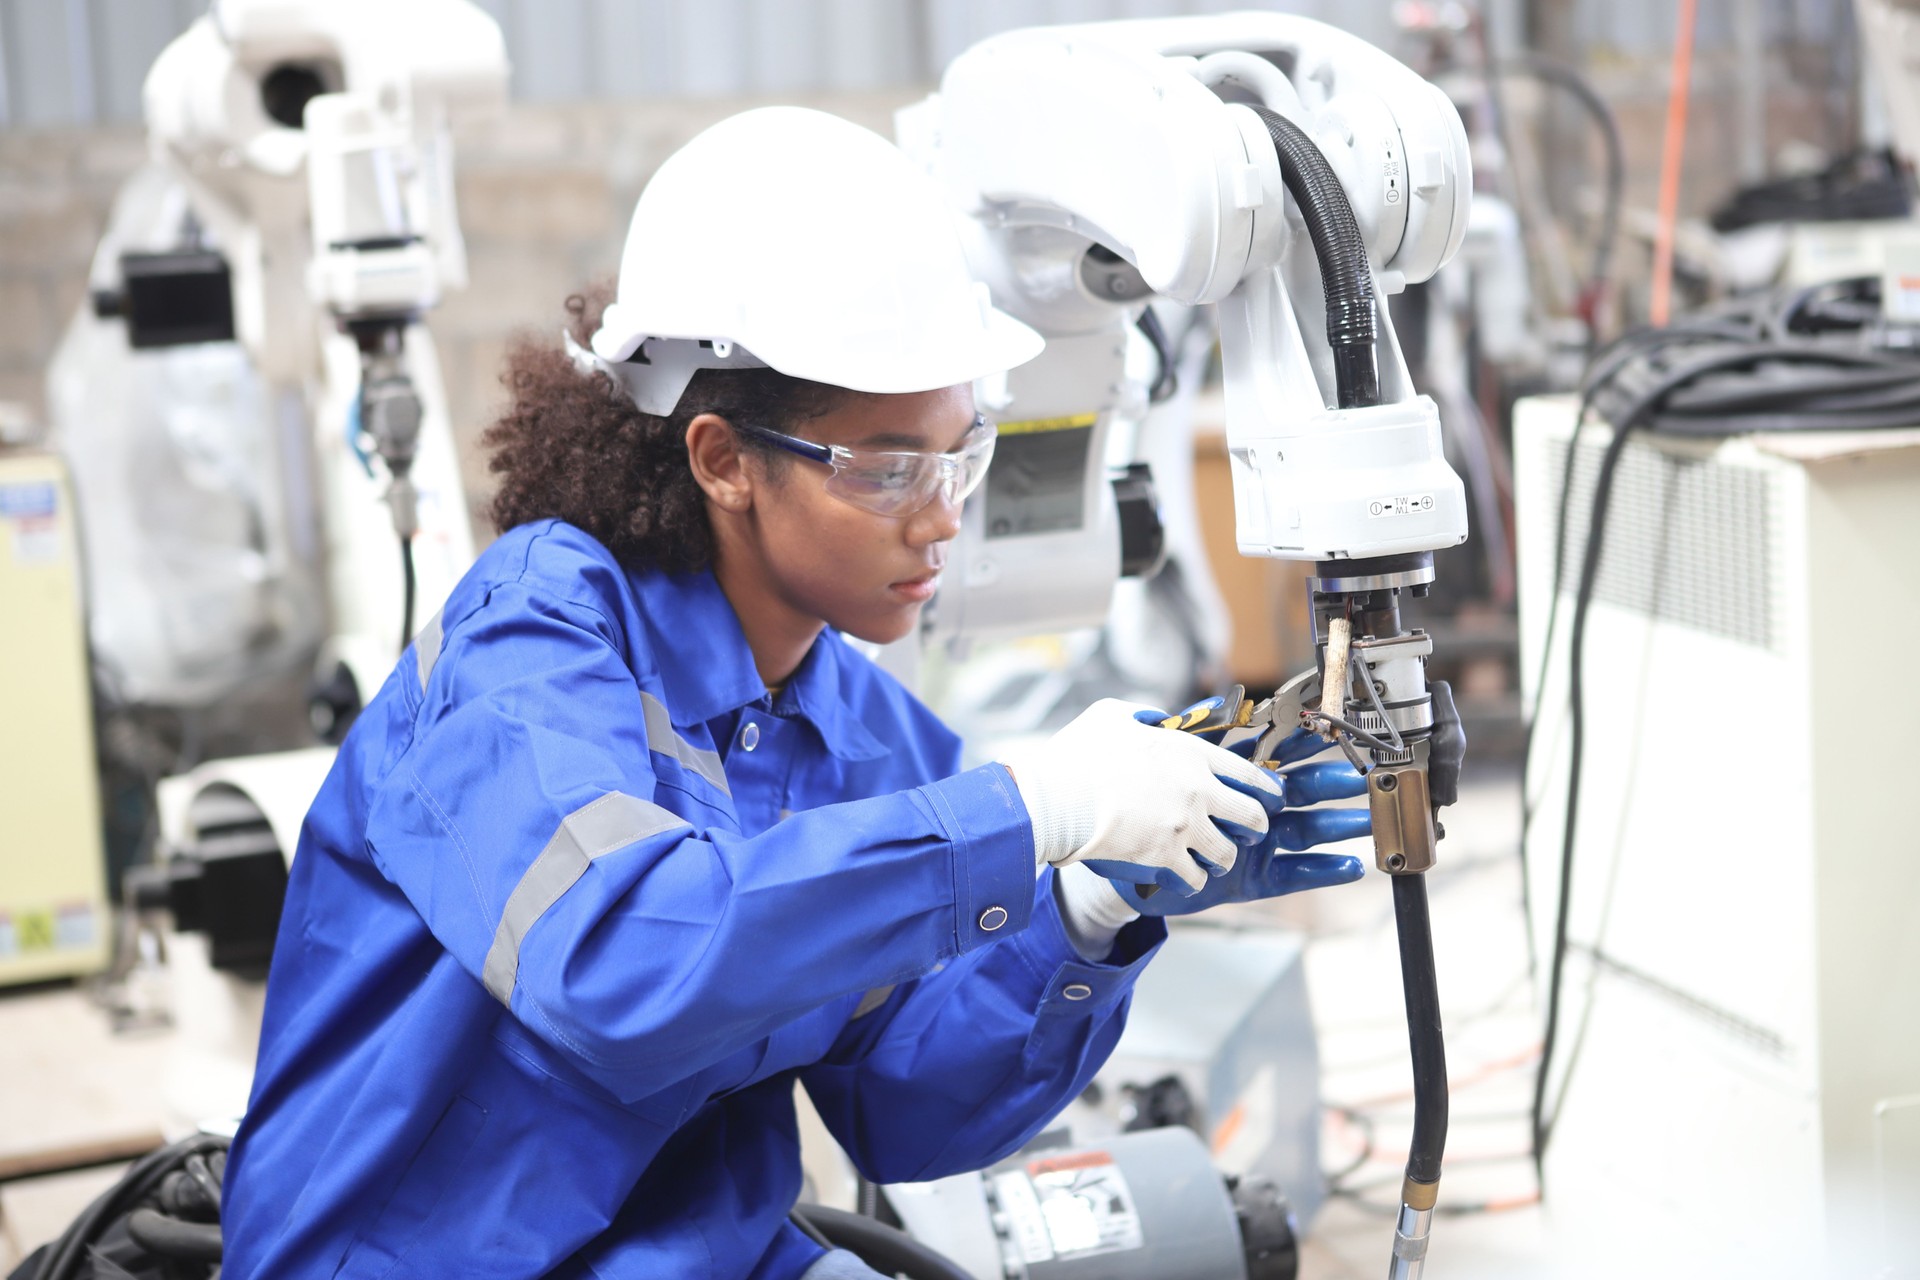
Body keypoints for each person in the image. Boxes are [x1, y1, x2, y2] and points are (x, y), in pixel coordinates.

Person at [219, 107, 1369, 1280]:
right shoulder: (531, 644)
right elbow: (624, 961)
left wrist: (1085, 911)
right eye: (888, 469)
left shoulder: (860, 731)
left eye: (960, 452)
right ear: (721, 458)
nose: (943, 514)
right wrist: (1031, 807)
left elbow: (903, 1109)